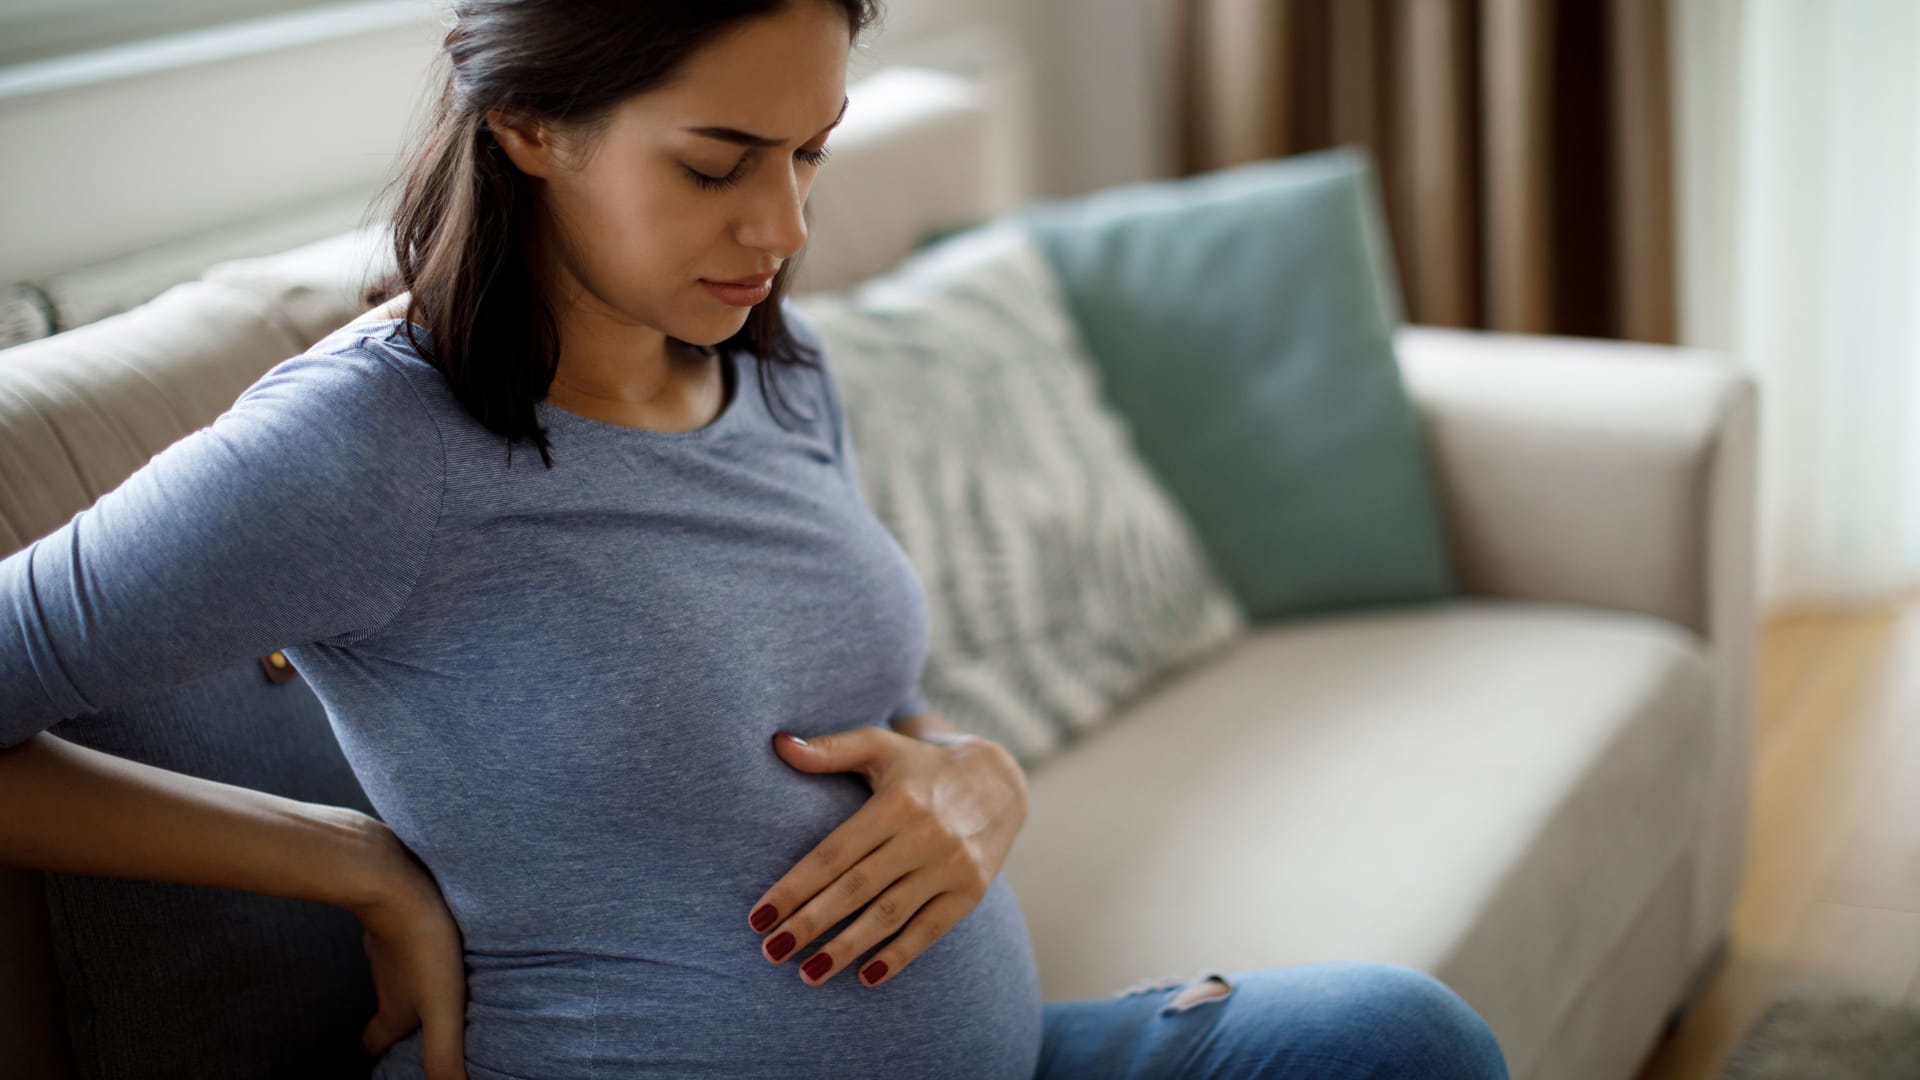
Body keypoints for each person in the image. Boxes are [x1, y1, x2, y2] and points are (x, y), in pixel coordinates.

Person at [0, 2, 1512, 1077]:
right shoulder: (364, 445)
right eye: (717, 164)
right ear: (529, 123)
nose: (783, 227)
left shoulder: (773, 368)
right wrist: (358, 867)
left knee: (1396, 1037)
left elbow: (855, 708)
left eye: (811, 155)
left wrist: (968, 777)